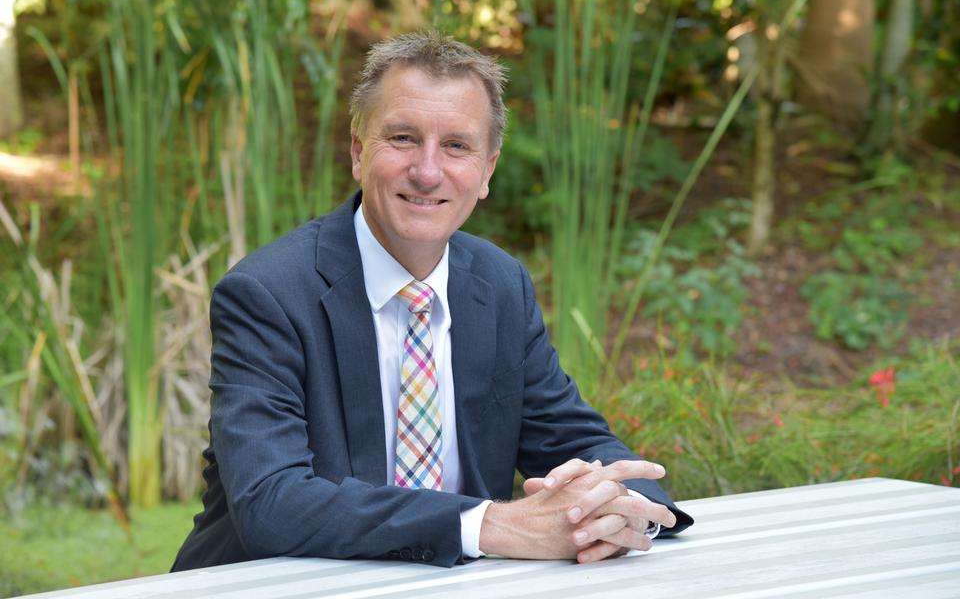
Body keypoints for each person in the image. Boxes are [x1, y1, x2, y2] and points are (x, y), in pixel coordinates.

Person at [172, 31, 693, 571]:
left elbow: (578, 442)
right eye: (402, 138)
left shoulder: (499, 285)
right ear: (357, 152)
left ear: (487, 170)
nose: (427, 171)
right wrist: (488, 524)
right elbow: (272, 503)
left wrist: (625, 510)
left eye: (456, 146)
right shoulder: (268, 295)